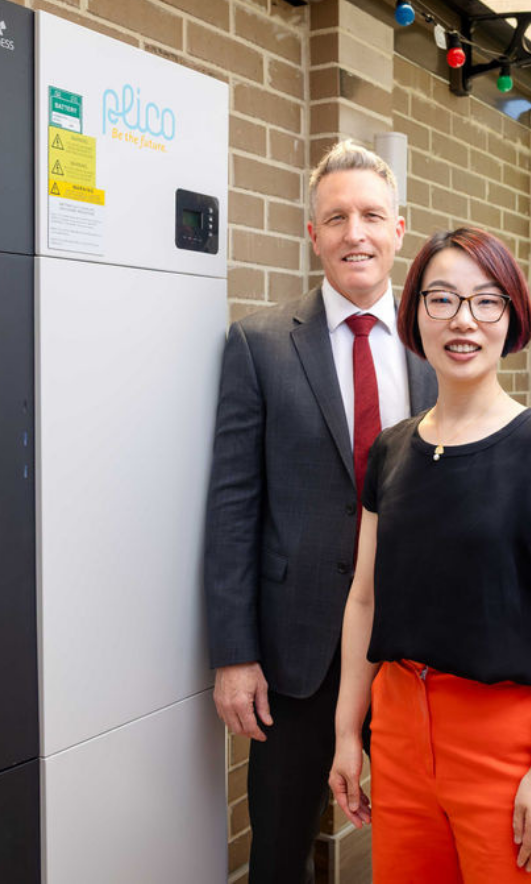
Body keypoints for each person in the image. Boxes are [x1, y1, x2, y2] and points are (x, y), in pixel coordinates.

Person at [328, 228, 531, 883]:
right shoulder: (390, 452)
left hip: (505, 742)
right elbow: (364, 597)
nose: (463, 321)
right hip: (397, 731)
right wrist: (346, 731)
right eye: (442, 299)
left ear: (512, 316)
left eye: (486, 302)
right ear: (415, 314)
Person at [203, 140, 438, 884]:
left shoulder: (442, 342)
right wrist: (234, 655)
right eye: (336, 217)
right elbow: (233, 508)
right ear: (313, 235)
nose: (354, 233)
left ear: (400, 229)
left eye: (371, 214)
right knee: (278, 850)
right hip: (295, 654)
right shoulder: (260, 345)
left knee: (417, 838)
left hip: (413, 647)